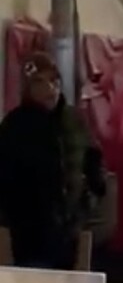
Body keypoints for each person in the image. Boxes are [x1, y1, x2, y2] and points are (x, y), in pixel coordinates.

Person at [0, 51, 106, 270]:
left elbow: (94, 163)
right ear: (28, 88)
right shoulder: (14, 127)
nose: (50, 88)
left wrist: (88, 203)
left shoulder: (74, 121)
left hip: (70, 235)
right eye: (39, 81)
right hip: (29, 239)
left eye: (54, 80)